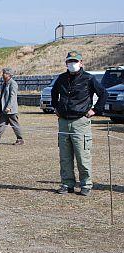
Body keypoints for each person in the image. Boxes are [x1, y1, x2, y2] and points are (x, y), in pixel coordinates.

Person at [51, 50, 107, 196]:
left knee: (82, 156)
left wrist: (95, 110)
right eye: (70, 62)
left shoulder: (89, 79)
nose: (72, 64)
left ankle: (86, 184)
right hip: (63, 122)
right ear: (66, 64)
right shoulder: (61, 78)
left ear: (81, 63)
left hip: (80, 122)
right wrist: (55, 107)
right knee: (65, 156)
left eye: (75, 61)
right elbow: (54, 92)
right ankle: (67, 183)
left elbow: (103, 93)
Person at [0, 68, 23, 146]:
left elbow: (13, 96)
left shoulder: (13, 84)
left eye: (4, 73)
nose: (2, 75)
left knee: (14, 124)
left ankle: (20, 139)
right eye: (3, 73)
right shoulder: (4, 84)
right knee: (1, 124)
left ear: (9, 75)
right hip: (4, 109)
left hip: (10, 109)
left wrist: (9, 107)